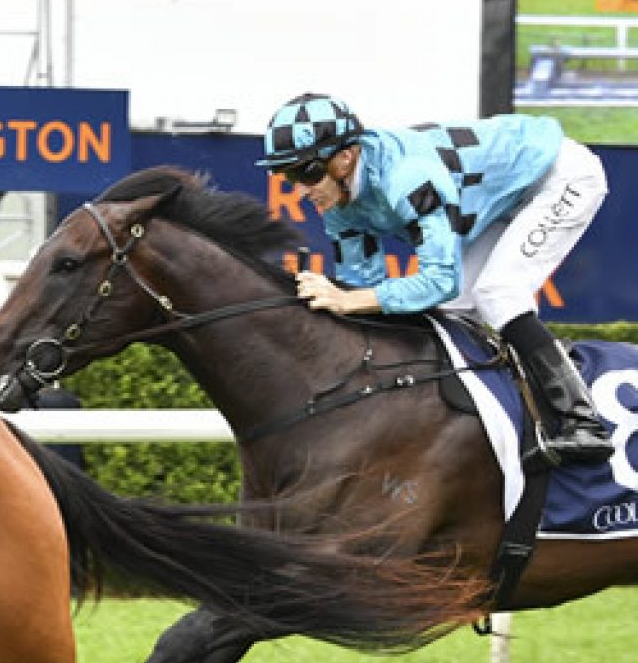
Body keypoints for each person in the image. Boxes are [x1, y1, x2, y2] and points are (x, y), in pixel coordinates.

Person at [261, 92, 615, 466]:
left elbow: (439, 280)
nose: (301, 191)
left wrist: (347, 299)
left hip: (558, 176)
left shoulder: (406, 176)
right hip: (499, 199)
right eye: (289, 176)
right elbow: (362, 291)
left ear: (345, 158)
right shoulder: (340, 204)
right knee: (453, 314)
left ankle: (583, 421)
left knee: (499, 293)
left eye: (307, 173)